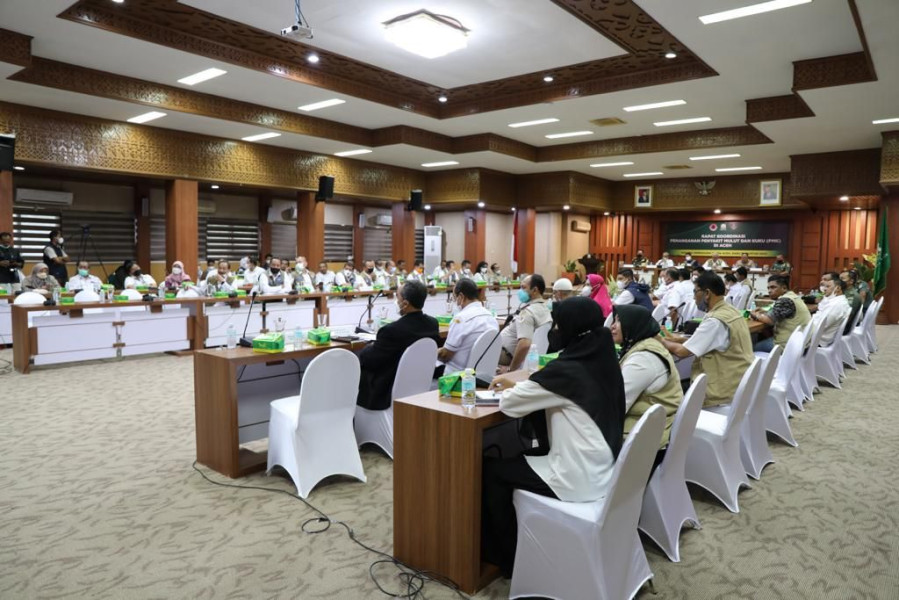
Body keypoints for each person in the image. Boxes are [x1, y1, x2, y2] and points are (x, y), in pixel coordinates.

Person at [483, 296, 625, 578]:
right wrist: (527, 383)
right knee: (520, 457)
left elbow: (510, 405)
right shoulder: (603, 356)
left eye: (558, 325)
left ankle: (506, 559)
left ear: (571, 328)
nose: (555, 331)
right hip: (602, 465)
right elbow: (550, 388)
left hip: (576, 475)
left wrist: (514, 384)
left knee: (492, 471)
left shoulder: (568, 370)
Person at [661, 272, 753, 407]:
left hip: (721, 392)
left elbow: (682, 352)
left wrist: (658, 340)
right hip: (738, 381)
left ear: (707, 293)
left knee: (668, 392)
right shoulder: (731, 311)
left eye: (695, 292)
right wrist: (678, 339)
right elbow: (707, 340)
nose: (693, 297)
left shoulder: (715, 320)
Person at [356, 281, 440, 410]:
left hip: (387, 388)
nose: (396, 301)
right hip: (417, 384)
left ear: (405, 304)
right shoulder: (432, 324)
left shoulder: (391, 331)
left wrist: (369, 347)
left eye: (397, 297)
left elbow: (370, 360)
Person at [611, 305, 682, 450]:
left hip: (642, 441)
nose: (612, 326)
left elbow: (615, 407)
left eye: (618, 321)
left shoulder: (642, 359)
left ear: (632, 324)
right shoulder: (646, 345)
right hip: (655, 428)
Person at [438, 279, 499, 374]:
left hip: (457, 377)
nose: (456, 303)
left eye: (455, 298)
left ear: (461, 297)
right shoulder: (491, 317)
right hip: (484, 375)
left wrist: (432, 353)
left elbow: (446, 355)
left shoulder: (461, 319)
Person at [498, 275, 551, 370]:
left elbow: (524, 344)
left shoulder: (528, 313)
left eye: (523, 288)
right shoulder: (545, 308)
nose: (520, 291)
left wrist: (511, 370)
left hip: (505, 355)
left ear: (535, 290)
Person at [749, 275, 811, 353]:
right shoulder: (793, 296)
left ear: (784, 288)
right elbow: (779, 312)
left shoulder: (785, 300)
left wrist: (755, 314)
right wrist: (764, 312)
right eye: (768, 288)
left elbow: (770, 320)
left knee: (751, 348)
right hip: (801, 343)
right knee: (763, 335)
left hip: (788, 346)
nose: (769, 291)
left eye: (773, 287)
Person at [812, 272, 851, 346]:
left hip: (817, 341)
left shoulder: (837, 305)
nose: (824, 289)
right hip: (818, 336)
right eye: (824, 286)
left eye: (828, 286)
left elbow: (819, 326)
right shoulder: (835, 301)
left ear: (838, 288)